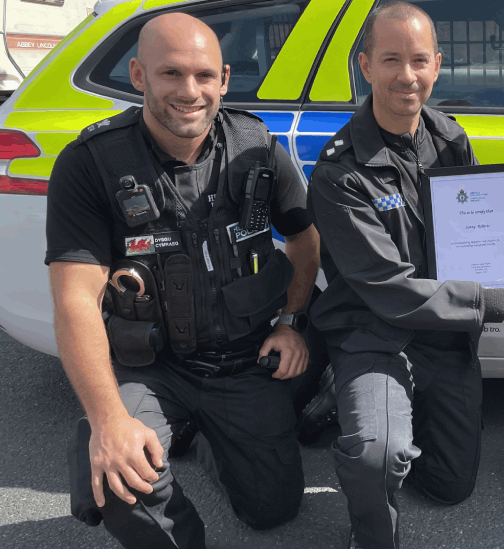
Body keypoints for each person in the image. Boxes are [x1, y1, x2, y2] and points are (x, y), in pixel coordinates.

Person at [45, 13, 319, 548]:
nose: (189, 91)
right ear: (139, 75)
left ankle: (212, 439)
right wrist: (106, 420)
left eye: (204, 75)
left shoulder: (255, 146)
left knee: (272, 510)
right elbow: (75, 299)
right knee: (119, 478)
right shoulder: (92, 163)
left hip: (242, 363)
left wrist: (290, 322)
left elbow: (304, 240)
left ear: (224, 78)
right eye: (171, 73)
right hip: (151, 369)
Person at [305, 3, 504, 548]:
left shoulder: (448, 137)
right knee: (380, 454)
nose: (406, 75)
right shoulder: (337, 171)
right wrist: (500, 301)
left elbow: (474, 232)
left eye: (419, 60)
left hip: (441, 337)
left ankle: (380, 411)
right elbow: (388, 290)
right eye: (391, 59)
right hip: (374, 331)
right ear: (365, 65)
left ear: (438, 64)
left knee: (450, 486)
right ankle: (370, 507)